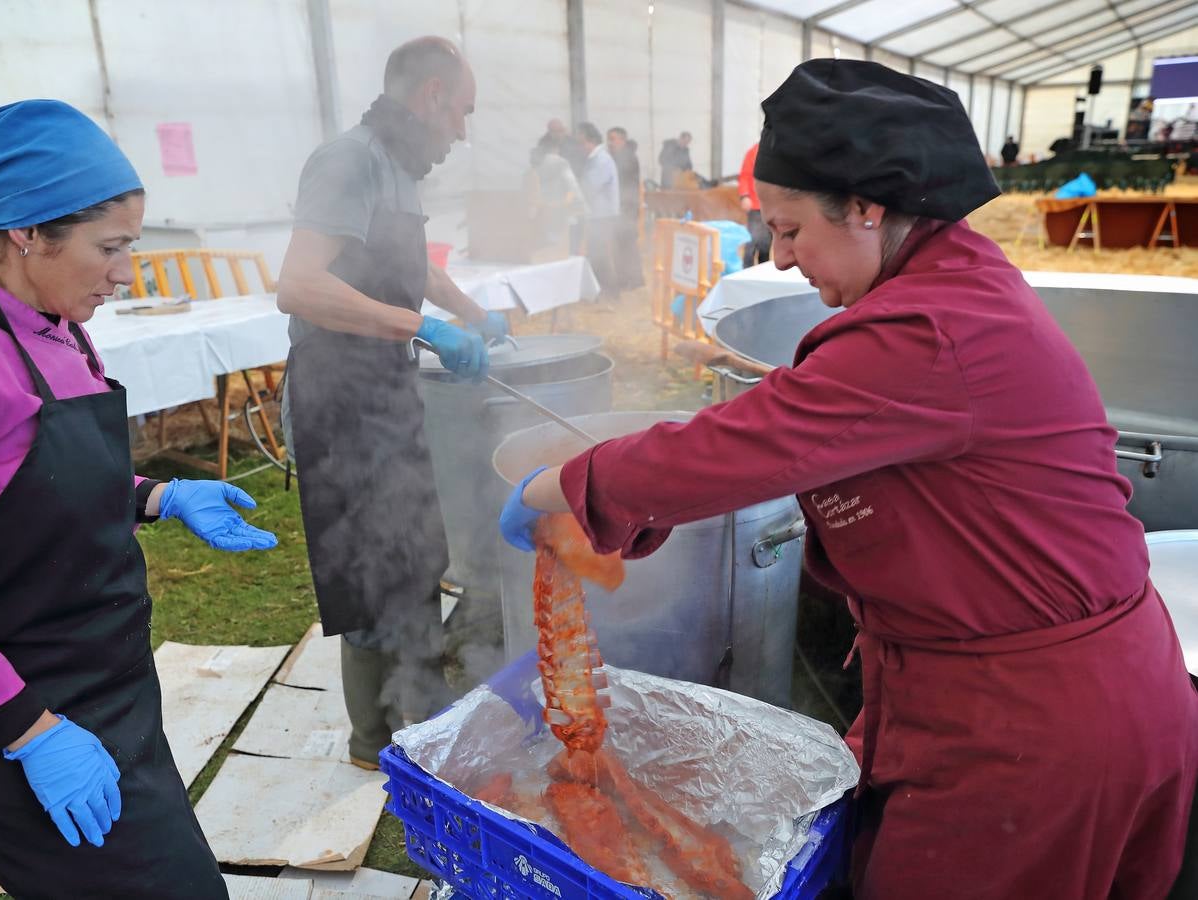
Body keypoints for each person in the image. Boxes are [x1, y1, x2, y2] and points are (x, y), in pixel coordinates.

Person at [499, 60, 1198, 899]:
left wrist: (560, 489)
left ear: (867, 208)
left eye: (791, 230)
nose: (783, 258)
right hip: (1021, 690)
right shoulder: (950, 281)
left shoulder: (927, 331)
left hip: (1034, 724)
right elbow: (782, 434)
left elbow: (737, 446)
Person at [0, 100, 278, 900]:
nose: (125, 272)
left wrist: (155, 495)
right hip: (9, 715)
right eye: (109, 248)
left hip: (106, 686)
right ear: (25, 233)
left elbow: (30, 482)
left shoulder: (52, 325)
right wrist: (32, 734)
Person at [277, 36, 507, 770]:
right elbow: (300, 286)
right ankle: (372, 743)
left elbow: (413, 270)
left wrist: (469, 312)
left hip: (386, 385)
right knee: (367, 567)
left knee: (414, 552)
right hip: (338, 397)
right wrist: (425, 328)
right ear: (432, 95)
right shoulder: (347, 160)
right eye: (462, 112)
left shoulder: (399, 170)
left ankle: (421, 707)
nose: (462, 133)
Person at [574, 122, 621, 303]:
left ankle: (611, 293)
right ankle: (602, 291)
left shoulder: (601, 160)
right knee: (596, 254)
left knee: (601, 255)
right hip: (597, 214)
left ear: (591, 141)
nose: (580, 147)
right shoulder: (595, 159)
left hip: (602, 216)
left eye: (582, 143)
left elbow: (589, 187)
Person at [605, 127, 644, 290]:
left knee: (628, 245)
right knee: (620, 246)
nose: (610, 142)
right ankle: (625, 278)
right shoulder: (616, 156)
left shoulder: (627, 158)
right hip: (620, 207)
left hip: (627, 207)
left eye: (613, 139)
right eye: (609, 139)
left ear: (623, 140)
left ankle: (634, 279)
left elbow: (624, 185)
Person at [736, 142, 771, 265]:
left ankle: (764, 271)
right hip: (756, 206)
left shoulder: (780, 152)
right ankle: (747, 270)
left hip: (772, 207)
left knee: (766, 243)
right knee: (752, 241)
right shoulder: (753, 152)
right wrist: (744, 196)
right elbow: (744, 176)